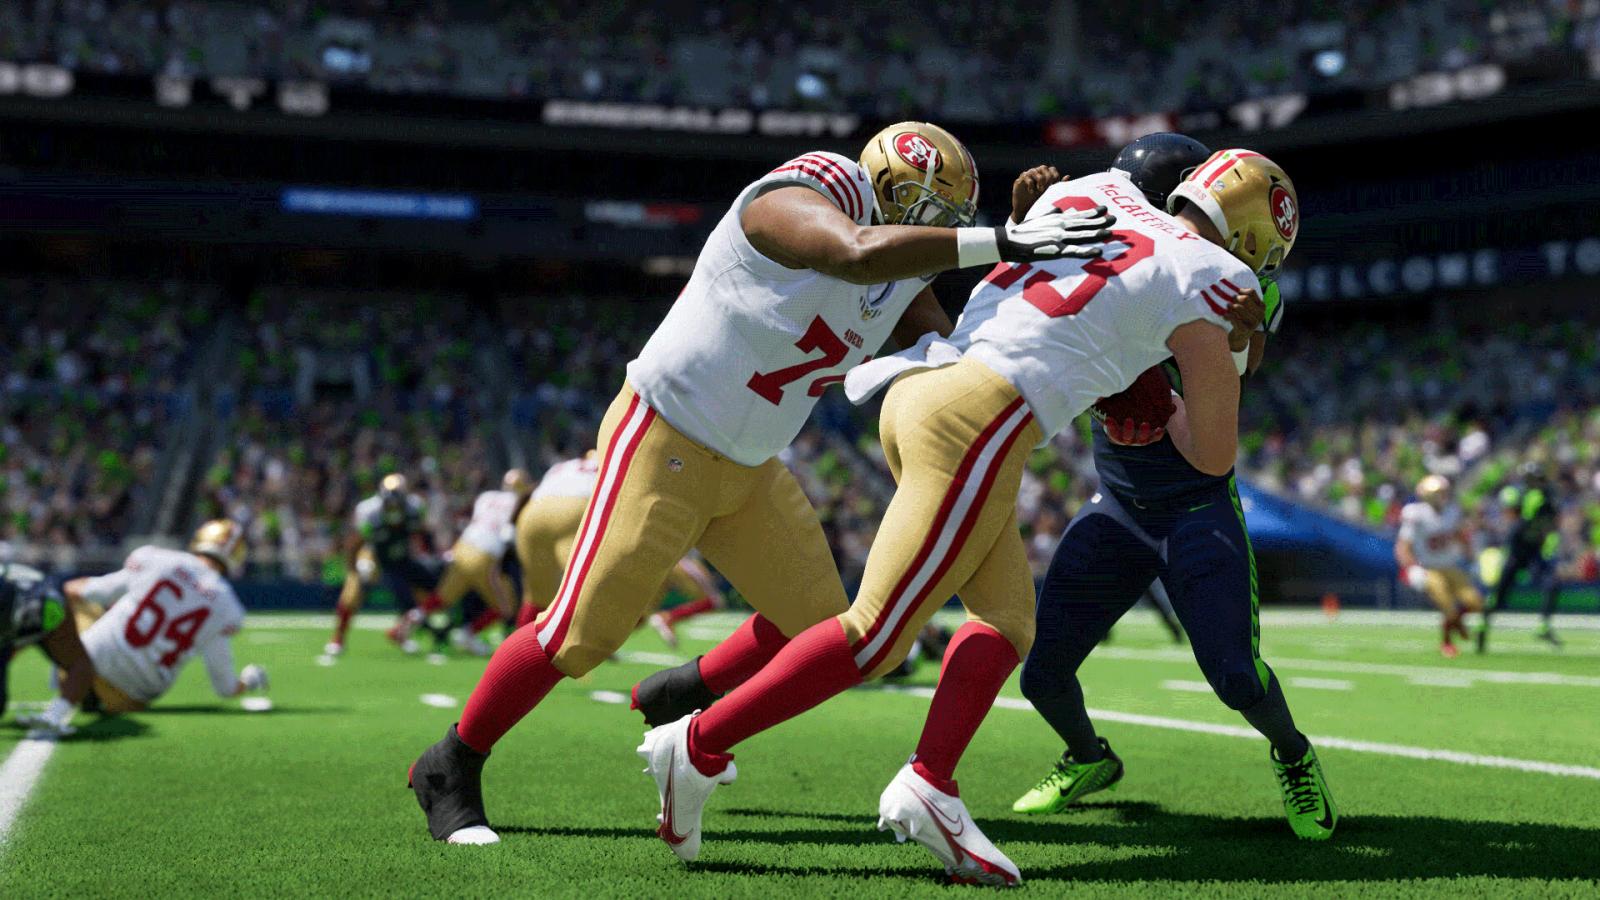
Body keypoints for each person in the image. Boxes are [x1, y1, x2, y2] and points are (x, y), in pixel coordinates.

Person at [408, 120, 1112, 846]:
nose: (936, 230)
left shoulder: (901, 272)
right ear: (887, 186)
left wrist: (1021, 263)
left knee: (820, 631)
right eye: (928, 213)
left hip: (751, 468)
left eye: (947, 220)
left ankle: (684, 691)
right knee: (579, 636)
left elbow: (952, 351)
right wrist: (1002, 241)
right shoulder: (817, 187)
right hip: (666, 437)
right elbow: (851, 249)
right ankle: (450, 763)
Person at [637, 147, 1302, 883]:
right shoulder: (1217, 273)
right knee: (876, 635)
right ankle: (698, 741)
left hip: (929, 384)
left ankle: (930, 785)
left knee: (1008, 621)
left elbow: (1067, 289)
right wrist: (1200, 371)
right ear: (1256, 243)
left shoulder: (1096, 189)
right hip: (981, 417)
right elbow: (1211, 455)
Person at [62, 520, 269, 713]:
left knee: (79, 601)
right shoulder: (227, 606)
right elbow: (226, 687)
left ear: (202, 538)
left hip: (83, 666)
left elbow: (93, 590)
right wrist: (248, 681)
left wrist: (62, 590)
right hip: (128, 698)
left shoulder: (159, 559)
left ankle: (72, 678)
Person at [326, 474, 441, 656]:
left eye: (397, 503)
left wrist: (429, 554)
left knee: (418, 593)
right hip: (372, 553)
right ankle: (338, 638)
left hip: (399, 554)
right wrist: (353, 569)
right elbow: (355, 543)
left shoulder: (416, 507)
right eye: (390, 503)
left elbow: (422, 531)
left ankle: (402, 634)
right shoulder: (369, 512)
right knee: (354, 589)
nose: (393, 508)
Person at [434, 470, 534, 657]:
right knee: (507, 605)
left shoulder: (487, 497)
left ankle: (414, 626)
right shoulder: (521, 504)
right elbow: (510, 537)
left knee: (446, 598)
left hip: (462, 548)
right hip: (486, 558)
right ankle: (467, 633)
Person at [0, 562, 96, 736]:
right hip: (15, 620)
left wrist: (56, 713)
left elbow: (80, 664)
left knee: (79, 664)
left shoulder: (43, 602)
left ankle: (86, 699)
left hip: (36, 612)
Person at [1396, 474, 1482, 658]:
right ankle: (1447, 642)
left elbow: (1461, 537)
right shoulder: (1416, 514)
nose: (1443, 496)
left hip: (1450, 566)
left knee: (1474, 602)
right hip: (1429, 568)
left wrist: (1472, 559)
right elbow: (1403, 547)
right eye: (1438, 492)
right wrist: (1412, 568)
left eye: (1444, 492)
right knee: (1447, 604)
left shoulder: (1452, 511)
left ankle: (1457, 622)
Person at [1479, 470, 1563, 651]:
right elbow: (1513, 513)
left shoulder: (1547, 499)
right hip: (1517, 551)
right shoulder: (1524, 496)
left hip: (1534, 550)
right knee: (1499, 594)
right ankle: (1483, 624)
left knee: (1552, 584)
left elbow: (1551, 526)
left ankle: (1544, 625)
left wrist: (1548, 547)